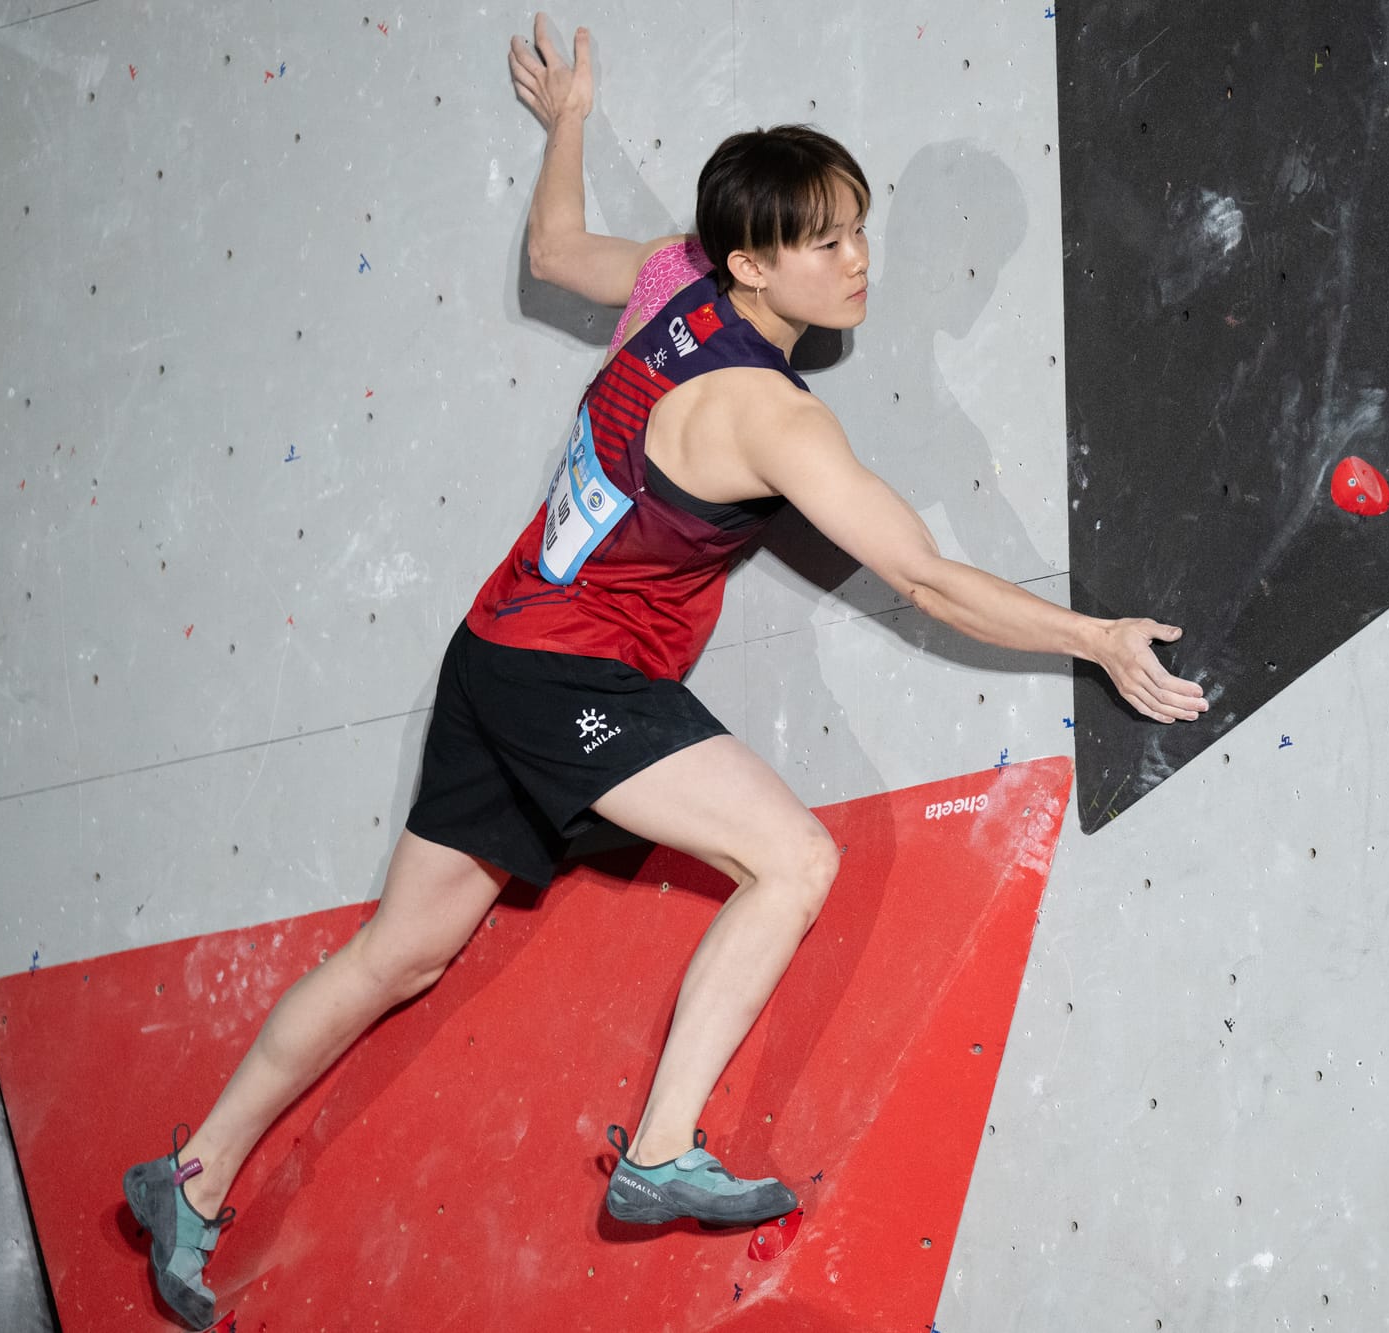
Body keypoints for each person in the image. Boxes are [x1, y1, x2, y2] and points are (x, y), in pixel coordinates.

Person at [122, 13, 1208, 1329]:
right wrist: (1096, 638)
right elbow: (923, 578)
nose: (860, 259)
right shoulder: (768, 414)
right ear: (755, 265)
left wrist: (569, 120)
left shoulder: (672, 284)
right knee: (796, 860)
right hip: (574, 675)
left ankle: (191, 1173)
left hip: (495, 649)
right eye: (825, 241)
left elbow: (552, 252)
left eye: (859, 226)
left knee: (398, 953)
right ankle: (658, 1150)